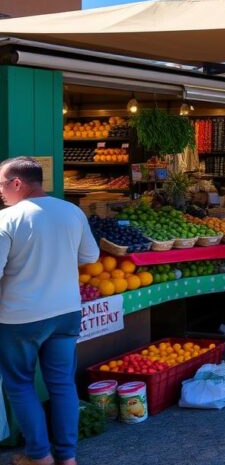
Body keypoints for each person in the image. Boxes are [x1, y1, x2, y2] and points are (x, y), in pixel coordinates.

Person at [0, 157, 100, 465]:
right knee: (62, 384)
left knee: (20, 383)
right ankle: (67, 458)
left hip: (20, 317)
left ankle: (39, 457)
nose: (1, 192)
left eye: (2, 185)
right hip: (66, 312)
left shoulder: (7, 219)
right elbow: (91, 256)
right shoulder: (72, 211)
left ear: (17, 183)